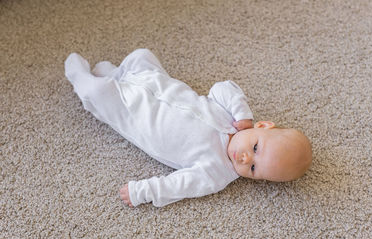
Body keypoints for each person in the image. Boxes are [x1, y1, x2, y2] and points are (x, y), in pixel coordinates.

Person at [64, 49, 312, 208]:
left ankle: (79, 75)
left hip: (131, 113)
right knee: (142, 55)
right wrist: (241, 113)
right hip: (157, 83)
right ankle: (117, 74)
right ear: (263, 126)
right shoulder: (235, 118)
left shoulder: (216, 173)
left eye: (254, 169)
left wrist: (143, 191)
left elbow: (178, 185)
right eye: (256, 147)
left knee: (95, 93)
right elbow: (221, 88)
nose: (246, 158)